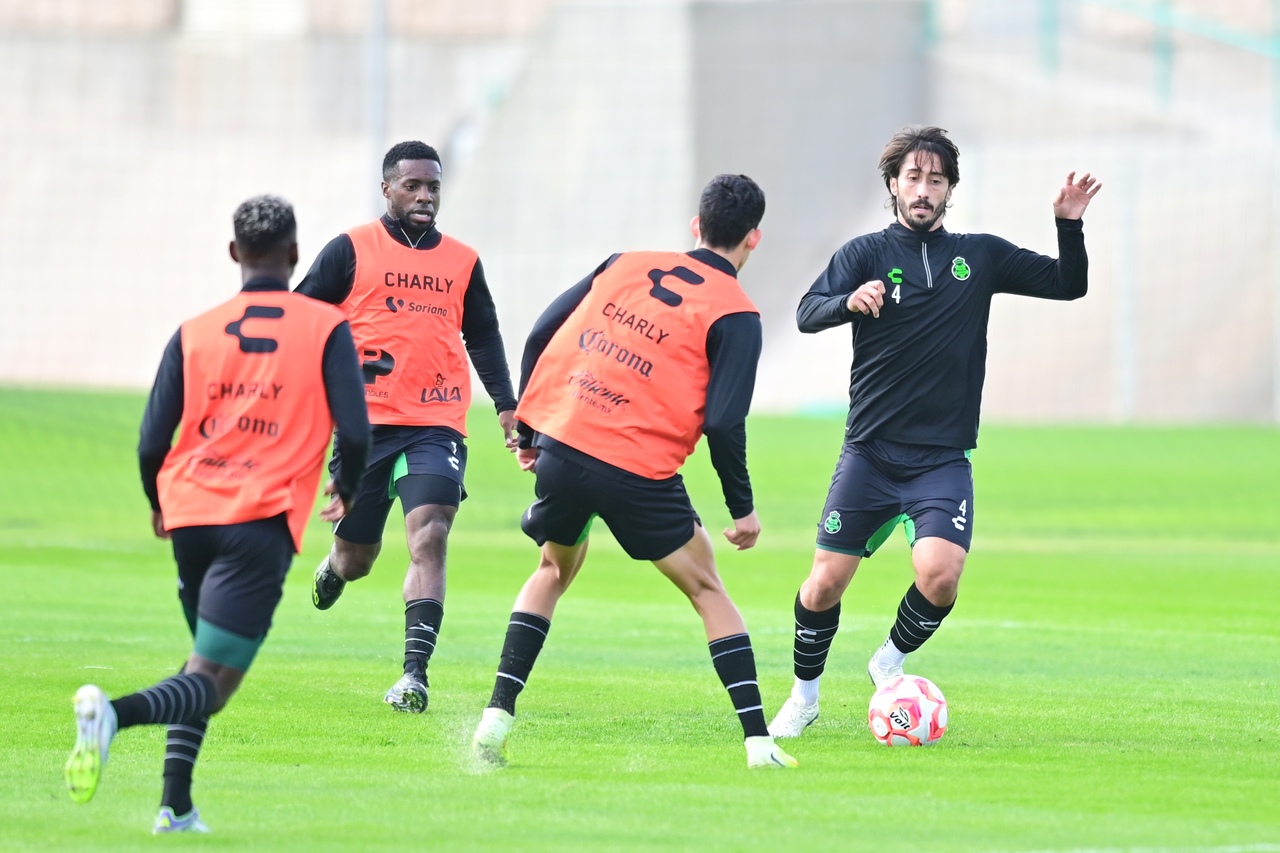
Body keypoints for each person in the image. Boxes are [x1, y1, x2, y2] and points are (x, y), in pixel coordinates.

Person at [768, 126, 1101, 739]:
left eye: (936, 180)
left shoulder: (981, 256)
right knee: (823, 585)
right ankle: (804, 697)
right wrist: (848, 302)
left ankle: (889, 661)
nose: (924, 190)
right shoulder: (864, 254)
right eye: (913, 178)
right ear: (894, 185)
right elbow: (806, 312)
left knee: (941, 576)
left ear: (950, 190)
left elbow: (1068, 284)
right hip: (870, 454)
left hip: (941, 460)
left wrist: (1068, 225)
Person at [469, 174, 797, 771]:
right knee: (706, 589)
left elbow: (543, 332)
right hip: (636, 469)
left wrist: (532, 429)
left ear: (696, 225)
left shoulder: (625, 263)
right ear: (754, 237)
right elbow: (724, 422)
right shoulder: (736, 313)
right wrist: (742, 509)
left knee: (552, 569)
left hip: (568, 447)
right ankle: (759, 744)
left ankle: (495, 719)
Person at [65, 195, 370, 833]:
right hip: (258, 518)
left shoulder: (194, 331)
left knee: (203, 661)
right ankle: (111, 715)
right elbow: (357, 430)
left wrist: (159, 504)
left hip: (190, 513)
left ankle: (175, 808)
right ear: (294, 254)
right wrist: (344, 486)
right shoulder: (324, 327)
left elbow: (151, 442)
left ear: (235, 253)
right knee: (216, 682)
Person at [296, 140, 518, 713]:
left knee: (431, 533)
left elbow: (483, 333)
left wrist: (506, 403)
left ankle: (413, 675)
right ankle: (335, 566)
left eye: (433, 187)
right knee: (357, 560)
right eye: (413, 186)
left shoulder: (462, 261)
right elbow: (303, 319)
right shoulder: (350, 249)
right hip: (365, 426)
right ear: (387, 189)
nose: (425, 196)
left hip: (437, 422)